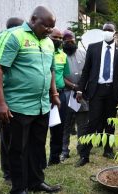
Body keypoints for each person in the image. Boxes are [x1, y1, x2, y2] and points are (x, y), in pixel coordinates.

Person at [0, 6, 61, 194]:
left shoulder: (48, 43)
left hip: (41, 106)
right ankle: (19, 188)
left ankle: (35, 182)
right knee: (17, 149)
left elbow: (51, 70)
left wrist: (54, 94)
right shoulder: (13, 36)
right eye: (46, 26)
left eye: (52, 27)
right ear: (33, 20)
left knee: (37, 147)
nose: (49, 30)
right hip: (17, 106)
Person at [76, 22, 118, 166]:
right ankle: (84, 155)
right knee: (92, 122)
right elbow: (86, 70)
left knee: (110, 122)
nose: (106, 31)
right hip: (96, 90)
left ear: (114, 32)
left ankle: (108, 150)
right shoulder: (93, 48)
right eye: (104, 29)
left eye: (109, 30)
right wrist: (80, 89)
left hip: (113, 90)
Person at [0, 17, 24, 184]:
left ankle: (14, 171)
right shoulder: (5, 40)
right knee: (7, 137)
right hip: (5, 97)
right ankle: (8, 173)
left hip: (11, 97)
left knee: (9, 137)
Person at [60, 29, 89, 161]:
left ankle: (81, 149)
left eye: (70, 40)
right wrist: (72, 86)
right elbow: (59, 75)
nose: (68, 42)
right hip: (66, 93)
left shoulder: (84, 54)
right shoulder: (60, 56)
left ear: (74, 40)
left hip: (82, 94)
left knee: (82, 124)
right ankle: (64, 151)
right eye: (65, 40)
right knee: (66, 124)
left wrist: (80, 89)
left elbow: (88, 73)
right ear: (62, 42)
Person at [48, 28, 70, 166]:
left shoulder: (63, 55)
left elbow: (65, 75)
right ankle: (38, 160)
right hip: (44, 95)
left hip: (60, 94)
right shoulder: (43, 51)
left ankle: (54, 158)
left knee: (58, 127)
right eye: (55, 37)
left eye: (61, 38)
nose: (59, 40)